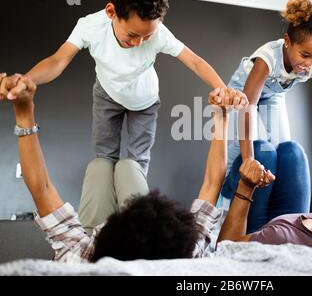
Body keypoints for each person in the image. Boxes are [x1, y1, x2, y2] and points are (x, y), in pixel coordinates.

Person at [0, 0, 247, 176]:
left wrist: (222, 89)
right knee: (104, 160)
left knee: (138, 163)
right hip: (107, 95)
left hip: (146, 101)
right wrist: (27, 80)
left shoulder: (159, 33)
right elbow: (57, 60)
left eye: (146, 37)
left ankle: (133, 218)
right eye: (132, 35)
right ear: (111, 12)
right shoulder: (90, 26)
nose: (139, 43)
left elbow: (194, 60)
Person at [1, 72, 237, 263]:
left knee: (102, 164)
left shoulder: (81, 257)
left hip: (100, 235)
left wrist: (24, 113)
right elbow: (213, 182)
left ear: (101, 234)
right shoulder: (183, 253)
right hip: (130, 241)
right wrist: (221, 116)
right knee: (126, 165)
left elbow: (41, 188)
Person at [219, 0, 312, 221]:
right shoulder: (267, 58)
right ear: (288, 41)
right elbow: (248, 106)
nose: (310, 64)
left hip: (273, 96)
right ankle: (224, 198)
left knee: (284, 152)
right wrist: (249, 160)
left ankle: (275, 215)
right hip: (242, 96)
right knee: (241, 155)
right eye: (305, 55)